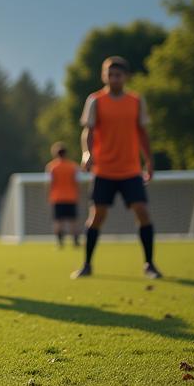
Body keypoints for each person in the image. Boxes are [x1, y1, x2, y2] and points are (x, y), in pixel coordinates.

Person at [73, 56, 160, 279]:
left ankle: (149, 264)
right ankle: (87, 264)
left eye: (118, 75)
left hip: (130, 170)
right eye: (109, 75)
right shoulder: (95, 100)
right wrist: (87, 154)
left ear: (125, 77)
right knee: (97, 216)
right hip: (104, 171)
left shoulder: (136, 101)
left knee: (142, 212)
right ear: (104, 76)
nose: (113, 78)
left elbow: (142, 133)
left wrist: (148, 160)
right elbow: (88, 131)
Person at [46, 143, 80, 248]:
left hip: (57, 198)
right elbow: (76, 182)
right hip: (71, 197)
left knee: (58, 221)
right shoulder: (73, 166)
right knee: (73, 221)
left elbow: (50, 183)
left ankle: (60, 243)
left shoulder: (52, 167)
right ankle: (75, 242)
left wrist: (48, 194)